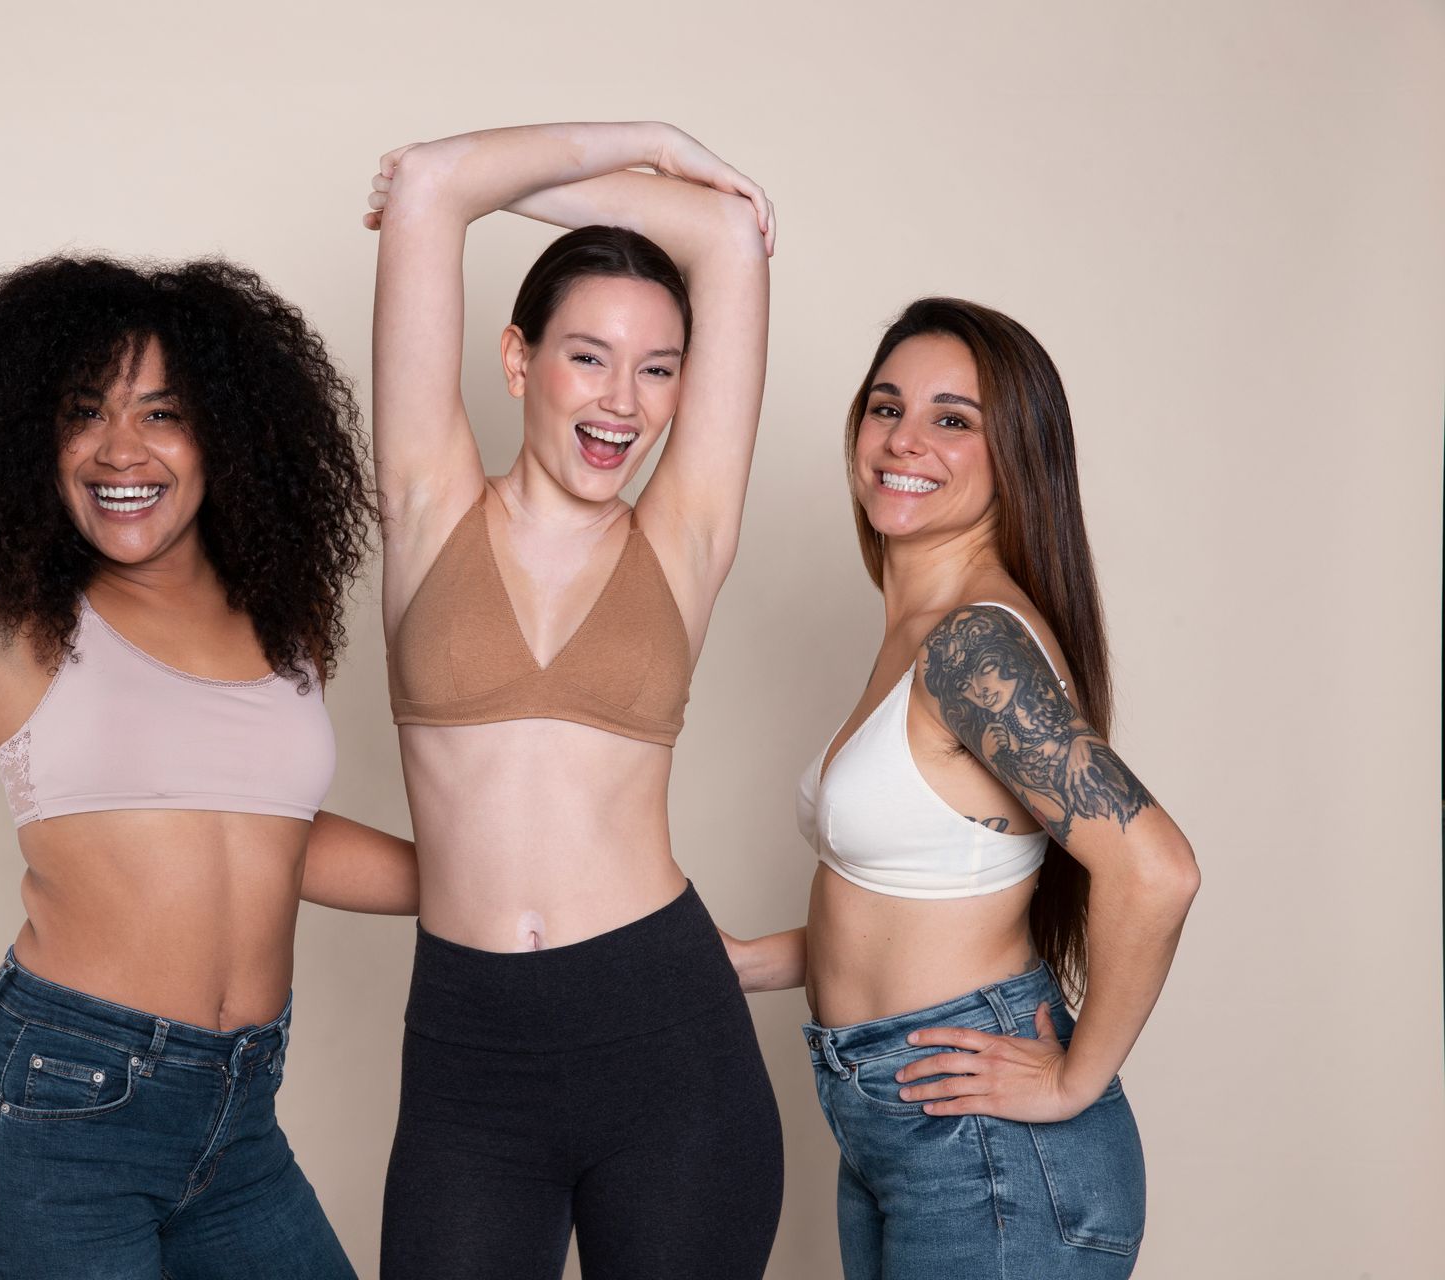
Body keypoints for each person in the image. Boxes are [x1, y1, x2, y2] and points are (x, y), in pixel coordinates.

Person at [0, 255, 414, 1279]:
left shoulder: (278, 621)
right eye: (83, 411)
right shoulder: (5, 609)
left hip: (235, 1121)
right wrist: (6, 395)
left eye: (163, 413)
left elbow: (277, 838)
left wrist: (483, 883)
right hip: (51, 1122)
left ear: (227, 432)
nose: (118, 448)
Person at [362, 122, 781, 1279]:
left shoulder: (682, 537)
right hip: (469, 1055)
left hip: (669, 1040)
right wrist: (651, 141)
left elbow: (730, 237)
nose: (625, 400)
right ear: (517, 360)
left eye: (658, 367)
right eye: (587, 355)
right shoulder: (429, 503)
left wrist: (681, 186)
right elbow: (433, 192)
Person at [724, 298, 1201, 1278]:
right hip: (899, 1124)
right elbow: (928, 899)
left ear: (1017, 454)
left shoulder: (974, 644)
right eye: (886, 405)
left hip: (984, 1153)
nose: (905, 438)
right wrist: (744, 961)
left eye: (953, 418)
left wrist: (1076, 1077)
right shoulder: (923, 629)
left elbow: (1157, 870)